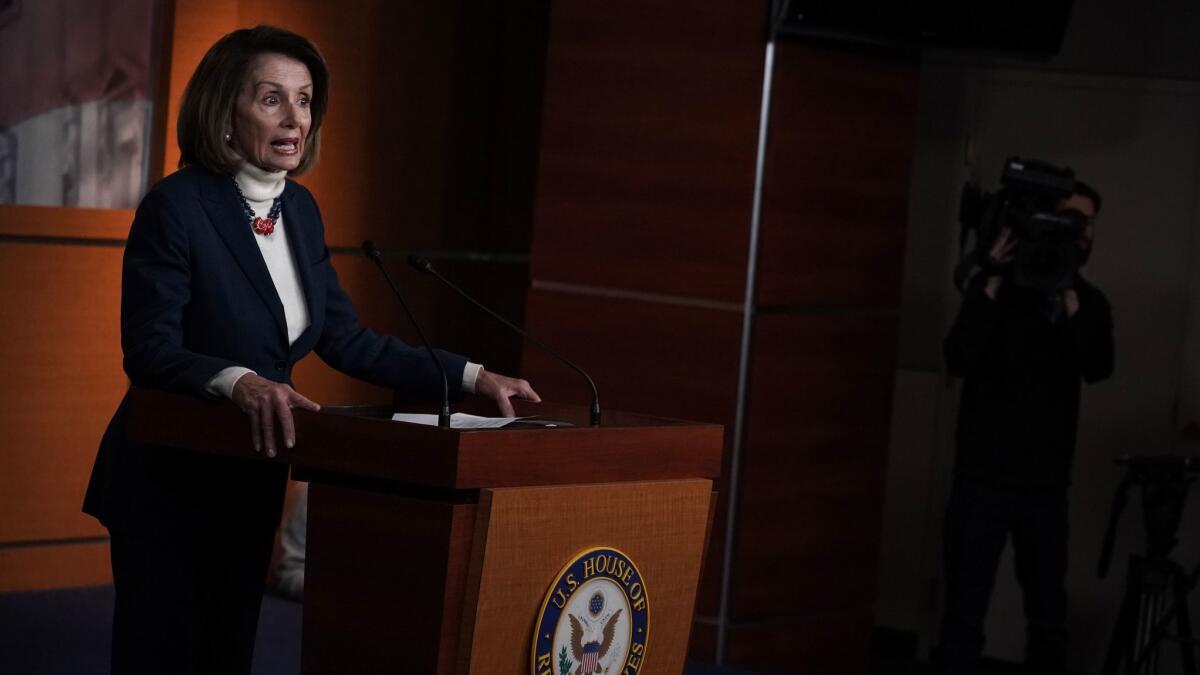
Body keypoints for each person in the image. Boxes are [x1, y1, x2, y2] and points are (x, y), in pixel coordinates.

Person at [81, 25, 539, 674]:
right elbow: (150, 350)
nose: (295, 118)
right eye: (272, 99)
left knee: (226, 655)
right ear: (225, 111)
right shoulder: (176, 207)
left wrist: (470, 373)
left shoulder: (300, 211)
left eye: (304, 100)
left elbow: (346, 340)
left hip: (250, 480)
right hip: (169, 480)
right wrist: (240, 381)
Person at [938, 184, 1114, 675]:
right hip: (981, 480)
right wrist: (992, 278)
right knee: (963, 614)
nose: (1085, 233)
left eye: (1091, 225)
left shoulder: (1088, 301)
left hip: (1044, 487)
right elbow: (957, 357)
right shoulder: (997, 290)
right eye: (1075, 221)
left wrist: (1068, 296)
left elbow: (1098, 365)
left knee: (1047, 617)